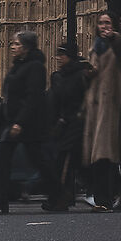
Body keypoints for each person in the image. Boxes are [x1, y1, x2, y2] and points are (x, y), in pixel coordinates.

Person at [0, 29, 48, 213]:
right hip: (13, 122)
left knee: (38, 161)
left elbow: (33, 97)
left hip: (26, 124)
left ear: (26, 47)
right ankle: (0, 201)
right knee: (3, 159)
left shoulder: (35, 66)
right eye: (12, 43)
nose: (12, 46)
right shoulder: (19, 65)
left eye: (17, 44)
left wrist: (19, 122)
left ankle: (58, 193)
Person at [83, 11, 121, 210]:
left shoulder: (116, 44)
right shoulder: (95, 47)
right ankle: (108, 196)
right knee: (102, 157)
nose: (103, 26)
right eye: (100, 23)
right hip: (95, 107)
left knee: (105, 156)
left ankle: (104, 199)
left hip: (110, 106)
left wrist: (114, 37)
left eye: (107, 22)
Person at [43, 40, 89, 210]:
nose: (59, 57)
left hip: (76, 123)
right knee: (70, 163)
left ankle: (60, 198)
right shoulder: (60, 75)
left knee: (65, 162)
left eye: (62, 54)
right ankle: (63, 197)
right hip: (63, 124)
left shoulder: (79, 74)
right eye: (59, 54)